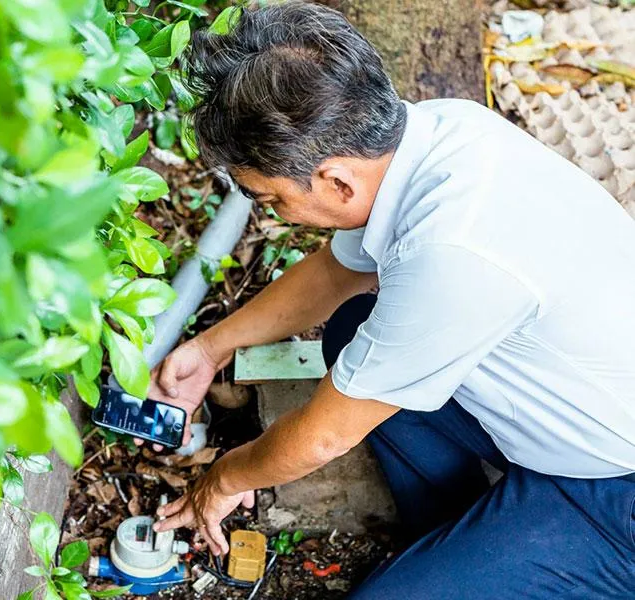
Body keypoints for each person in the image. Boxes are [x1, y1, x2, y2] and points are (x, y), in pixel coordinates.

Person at [141, 2, 635, 598]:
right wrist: (211, 349)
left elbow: (324, 436)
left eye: (269, 199)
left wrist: (223, 480)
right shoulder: (439, 132)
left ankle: (509, 556)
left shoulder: (453, 254)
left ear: (337, 182)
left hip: (612, 491)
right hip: (570, 413)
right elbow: (334, 276)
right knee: (352, 325)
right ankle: (465, 537)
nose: (272, 212)